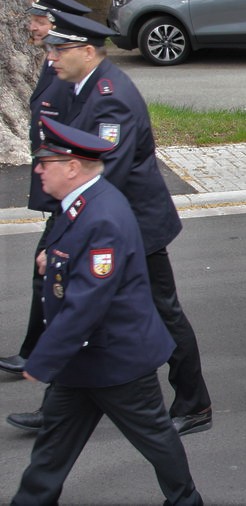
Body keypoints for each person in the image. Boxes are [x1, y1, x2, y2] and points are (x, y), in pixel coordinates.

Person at [22, 12, 213, 437]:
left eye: (60, 49)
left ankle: (194, 403)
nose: (50, 56)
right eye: (50, 47)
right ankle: (59, 409)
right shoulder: (80, 87)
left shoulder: (111, 96)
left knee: (164, 314)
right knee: (83, 311)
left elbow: (105, 175)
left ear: (87, 52)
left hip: (135, 228)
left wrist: (64, 238)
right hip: (110, 223)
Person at [12, 117, 201, 505]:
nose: (37, 169)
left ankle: (185, 500)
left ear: (72, 167)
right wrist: (56, 259)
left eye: (45, 162)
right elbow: (75, 258)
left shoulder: (102, 215)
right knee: (52, 446)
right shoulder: (82, 204)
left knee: (154, 437)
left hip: (117, 359)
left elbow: (89, 300)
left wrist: (42, 359)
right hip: (81, 360)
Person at [0, 0, 89, 382]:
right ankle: (36, 352)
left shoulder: (72, 74)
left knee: (54, 274)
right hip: (60, 190)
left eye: (39, 20)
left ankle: (39, 355)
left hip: (70, 192)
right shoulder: (52, 65)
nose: (32, 26)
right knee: (52, 274)